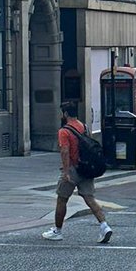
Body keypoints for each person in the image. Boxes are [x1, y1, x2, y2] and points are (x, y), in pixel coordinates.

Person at [42, 102, 112, 243]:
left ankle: (58, 231)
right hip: (86, 168)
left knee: (62, 199)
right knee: (89, 198)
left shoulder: (64, 131)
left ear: (65, 114)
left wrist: (66, 171)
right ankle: (104, 226)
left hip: (73, 169)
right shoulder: (83, 126)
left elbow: (65, 151)